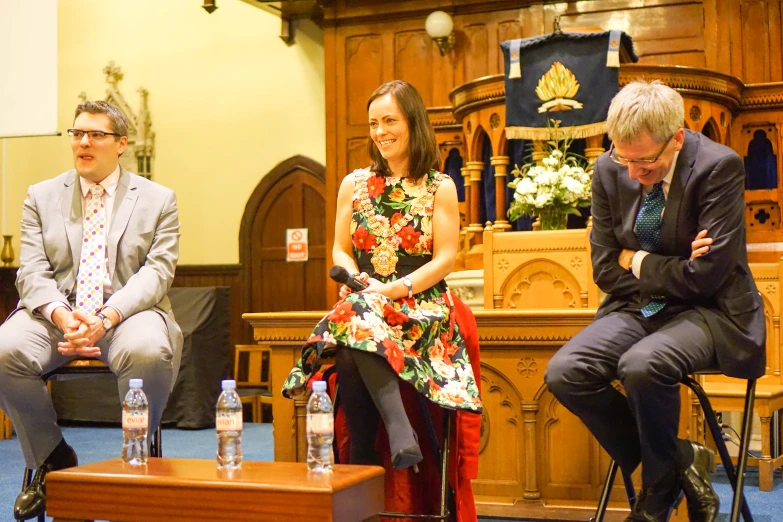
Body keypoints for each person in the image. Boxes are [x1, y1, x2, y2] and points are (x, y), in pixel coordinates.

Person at [544, 80, 765, 522]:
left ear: (677, 138)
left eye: (645, 162)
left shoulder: (718, 167)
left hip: (712, 313)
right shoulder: (609, 169)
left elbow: (708, 277)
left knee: (642, 365)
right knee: (566, 372)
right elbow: (605, 269)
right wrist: (674, 264)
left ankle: (656, 498)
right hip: (638, 307)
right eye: (622, 158)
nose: (631, 174)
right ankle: (681, 458)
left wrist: (638, 259)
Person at [282, 80, 482, 472]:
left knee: (353, 331)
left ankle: (364, 454)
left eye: (389, 120)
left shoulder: (440, 186)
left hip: (419, 301)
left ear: (413, 123)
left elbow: (445, 258)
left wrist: (396, 289)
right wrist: (358, 279)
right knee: (358, 321)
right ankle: (393, 434)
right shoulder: (353, 184)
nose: (380, 132)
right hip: (365, 296)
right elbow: (340, 247)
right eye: (373, 124)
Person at [0, 100, 183, 521]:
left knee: (150, 352)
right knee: (6, 350)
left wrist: (105, 317)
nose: (83, 142)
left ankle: (133, 461)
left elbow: (156, 274)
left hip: (129, 312)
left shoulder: (158, 199)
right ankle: (51, 460)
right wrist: (63, 316)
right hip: (55, 314)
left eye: (96, 135)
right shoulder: (41, 196)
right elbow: (31, 271)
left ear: (121, 144)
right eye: (77, 133)